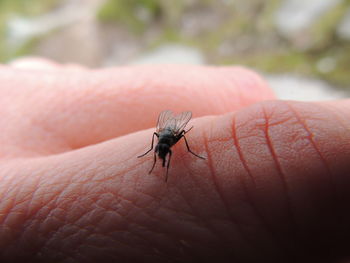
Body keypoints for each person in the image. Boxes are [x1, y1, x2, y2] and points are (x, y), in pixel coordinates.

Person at [0, 58, 349, 263]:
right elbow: (160, 140)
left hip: (175, 126)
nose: (162, 153)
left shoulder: (175, 135)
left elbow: (177, 129)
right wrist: (154, 153)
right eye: (161, 152)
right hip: (167, 128)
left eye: (162, 152)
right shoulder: (161, 142)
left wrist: (190, 150)